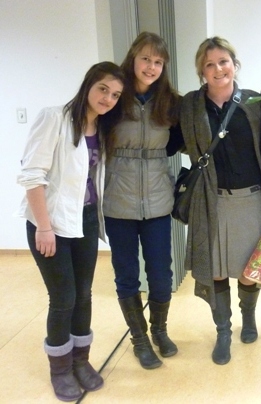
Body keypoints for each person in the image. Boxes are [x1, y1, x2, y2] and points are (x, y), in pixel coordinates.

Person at [16, 62, 125, 401]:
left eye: (115, 95)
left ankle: (80, 361)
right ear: (89, 84)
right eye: (103, 89)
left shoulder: (103, 128)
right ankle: (60, 369)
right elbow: (32, 175)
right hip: (51, 224)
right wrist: (44, 227)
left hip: (85, 220)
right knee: (63, 298)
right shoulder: (55, 118)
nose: (108, 98)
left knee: (84, 295)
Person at [179, 36, 261, 365]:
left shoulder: (254, 102)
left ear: (234, 65)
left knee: (250, 269)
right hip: (211, 199)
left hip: (250, 198)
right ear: (202, 71)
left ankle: (248, 317)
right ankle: (223, 331)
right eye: (209, 64)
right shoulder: (191, 105)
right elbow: (178, 140)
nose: (218, 69)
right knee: (216, 269)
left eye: (223, 61)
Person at [103, 32, 182, 370]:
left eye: (158, 61)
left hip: (158, 201)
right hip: (118, 201)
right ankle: (139, 339)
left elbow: (178, 143)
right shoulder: (114, 96)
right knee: (126, 275)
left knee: (161, 275)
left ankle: (159, 330)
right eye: (146, 59)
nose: (151, 67)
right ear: (133, 58)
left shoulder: (170, 102)